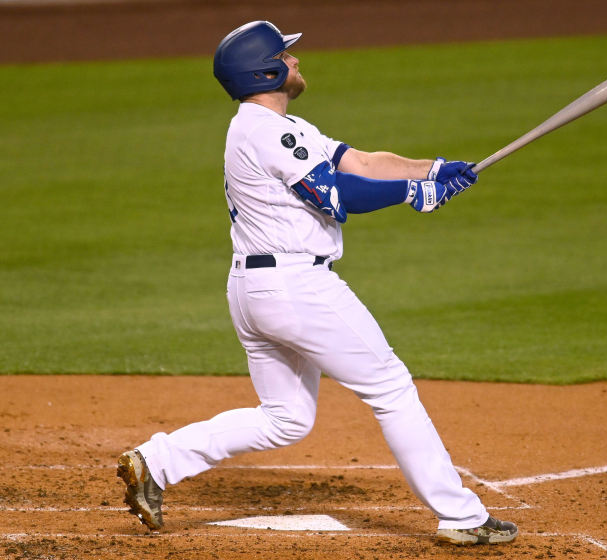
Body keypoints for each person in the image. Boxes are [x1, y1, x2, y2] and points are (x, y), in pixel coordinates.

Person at [117, 20, 517, 546]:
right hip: (295, 288)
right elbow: (337, 192)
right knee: (391, 387)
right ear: (266, 70)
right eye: (287, 55)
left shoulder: (286, 128)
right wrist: (410, 195)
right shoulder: (264, 130)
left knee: (285, 419)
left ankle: (156, 461)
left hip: (255, 290)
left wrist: (434, 170)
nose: (297, 61)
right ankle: (462, 516)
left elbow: (364, 162)